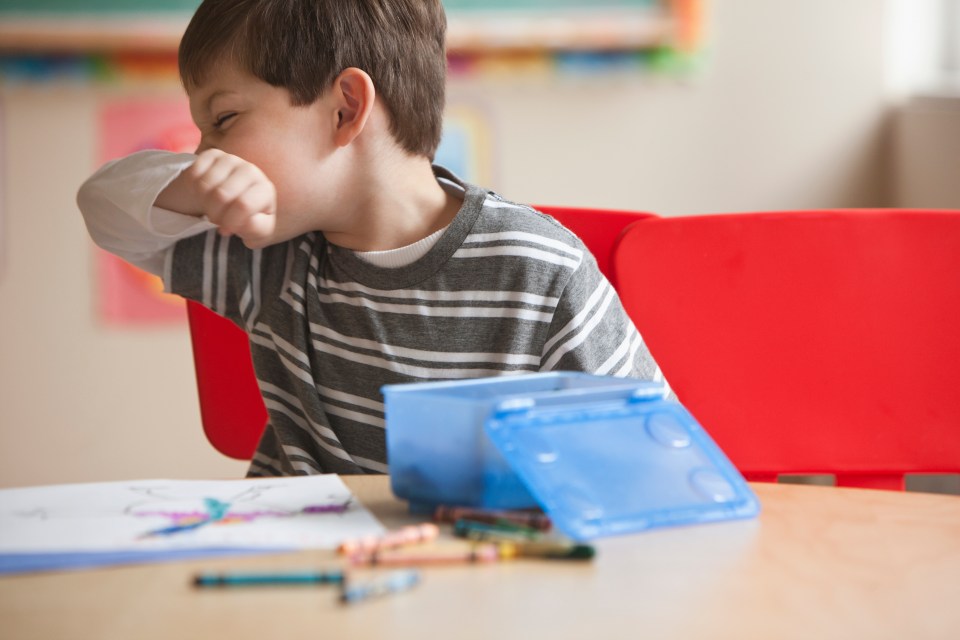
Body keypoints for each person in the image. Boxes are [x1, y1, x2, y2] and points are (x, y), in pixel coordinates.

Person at [77, 0, 667, 477]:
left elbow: (650, 457)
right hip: (293, 583)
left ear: (345, 109)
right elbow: (103, 207)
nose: (206, 151)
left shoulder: (540, 270)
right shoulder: (270, 257)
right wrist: (194, 186)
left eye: (224, 120)